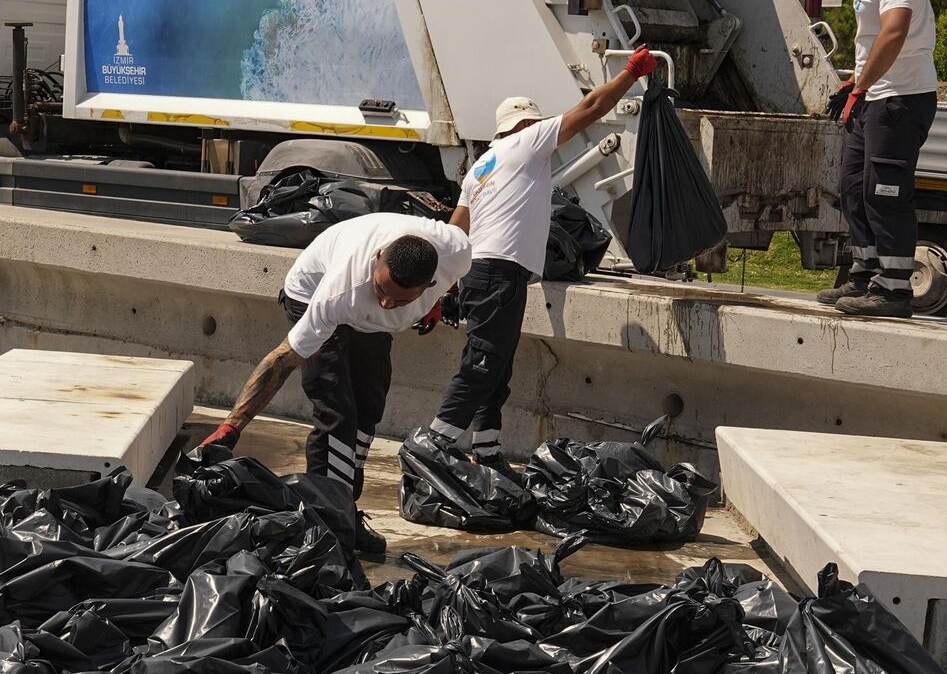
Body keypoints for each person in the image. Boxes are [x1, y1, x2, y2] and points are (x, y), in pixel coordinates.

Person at [429, 46, 661, 472]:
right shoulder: (528, 142)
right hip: (498, 273)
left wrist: (442, 286)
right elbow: (591, 107)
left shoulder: (480, 166)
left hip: (482, 273)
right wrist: (630, 73)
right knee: (483, 363)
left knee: (495, 367)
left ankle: (487, 453)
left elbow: (455, 230)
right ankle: (434, 444)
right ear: (528, 124)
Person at [200, 213, 472, 550]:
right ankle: (326, 526)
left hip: (370, 324)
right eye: (382, 291)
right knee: (337, 413)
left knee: (368, 408)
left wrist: (444, 299)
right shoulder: (340, 294)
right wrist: (232, 427)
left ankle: (345, 510)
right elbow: (281, 360)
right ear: (377, 260)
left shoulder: (456, 252)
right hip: (310, 290)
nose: (386, 304)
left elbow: (457, 263)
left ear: (430, 283)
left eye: (401, 301)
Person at [820, 0, 938, 318]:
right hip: (877, 96)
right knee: (854, 188)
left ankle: (893, 290)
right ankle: (865, 271)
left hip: (900, 99)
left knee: (885, 192)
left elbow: (894, 34)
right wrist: (857, 81)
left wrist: (861, 86)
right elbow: (874, 42)